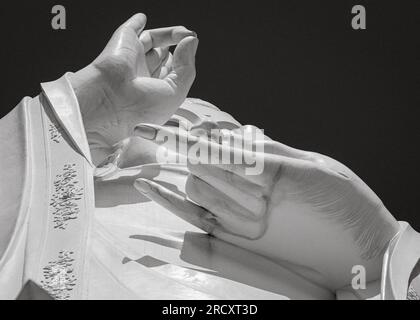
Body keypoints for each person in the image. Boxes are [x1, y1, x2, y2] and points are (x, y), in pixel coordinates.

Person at [0, 13, 418, 300]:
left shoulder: (301, 268)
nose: (214, 135)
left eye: (231, 131)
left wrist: (376, 256)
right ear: (113, 154)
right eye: (181, 125)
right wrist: (79, 113)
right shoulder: (58, 215)